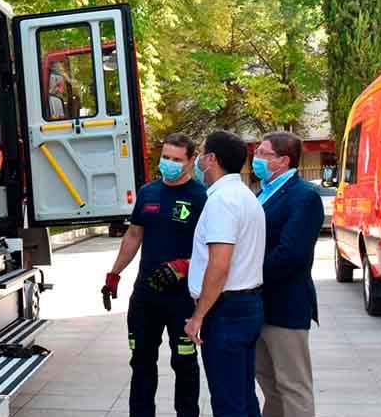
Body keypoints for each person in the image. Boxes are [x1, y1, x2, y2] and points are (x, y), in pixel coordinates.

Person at [102, 133, 206, 417]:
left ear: (190, 161)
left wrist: (184, 266)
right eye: (165, 157)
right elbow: (134, 235)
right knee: (141, 363)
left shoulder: (201, 197)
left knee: (185, 364)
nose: (169, 164)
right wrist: (114, 273)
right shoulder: (148, 193)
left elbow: (212, 248)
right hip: (146, 297)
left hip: (183, 300)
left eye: (176, 159)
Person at [185, 130, 266, 417]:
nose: (198, 161)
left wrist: (198, 316)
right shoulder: (245, 195)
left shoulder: (222, 201)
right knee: (243, 395)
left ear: (211, 159)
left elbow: (219, 265)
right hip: (246, 306)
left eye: (202, 154)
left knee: (228, 402)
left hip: (226, 311)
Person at [251, 132, 323, 417]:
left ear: (283, 160)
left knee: (293, 387)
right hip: (259, 304)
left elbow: (291, 254)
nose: (255, 158)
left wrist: (249, 275)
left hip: (286, 306)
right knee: (270, 386)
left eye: (262, 153)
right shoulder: (264, 192)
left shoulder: (304, 196)